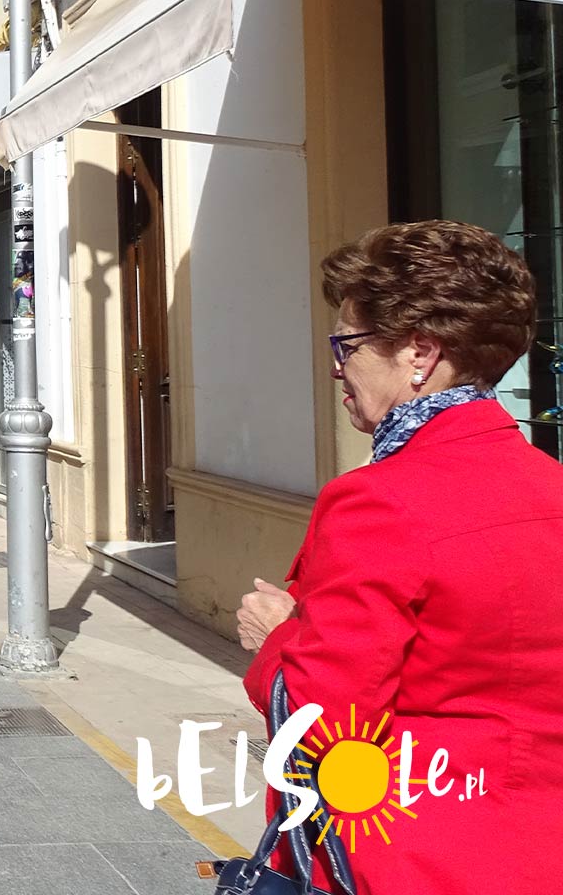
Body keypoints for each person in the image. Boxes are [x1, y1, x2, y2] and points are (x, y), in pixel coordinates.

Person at [234, 221, 563, 894]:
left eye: (349, 345)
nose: (338, 366)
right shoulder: (548, 484)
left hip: (414, 855)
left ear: (419, 352)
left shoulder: (379, 501)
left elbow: (321, 722)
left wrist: (276, 638)